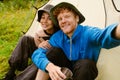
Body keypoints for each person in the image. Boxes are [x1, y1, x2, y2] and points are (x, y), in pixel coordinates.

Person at [32, 2, 120, 80]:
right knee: (52, 52)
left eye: (67, 16)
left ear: (77, 18)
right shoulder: (58, 37)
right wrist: (49, 66)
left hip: (83, 73)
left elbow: (104, 35)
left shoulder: (87, 32)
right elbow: (37, 54)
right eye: (60, 19)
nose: (63, 21)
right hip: (64, 72)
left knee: (86, 64)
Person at [3, 4, 59, 80]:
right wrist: (39, 46)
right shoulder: (39, 34)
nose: (45, 21)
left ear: (54, 21)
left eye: (49, 18)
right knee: (25, 39)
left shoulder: (60, 34)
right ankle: (11, 71)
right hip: (38, 54)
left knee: (42, 58)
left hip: (51, 59)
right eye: (43, 18)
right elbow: (37, 49)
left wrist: (50, 44)